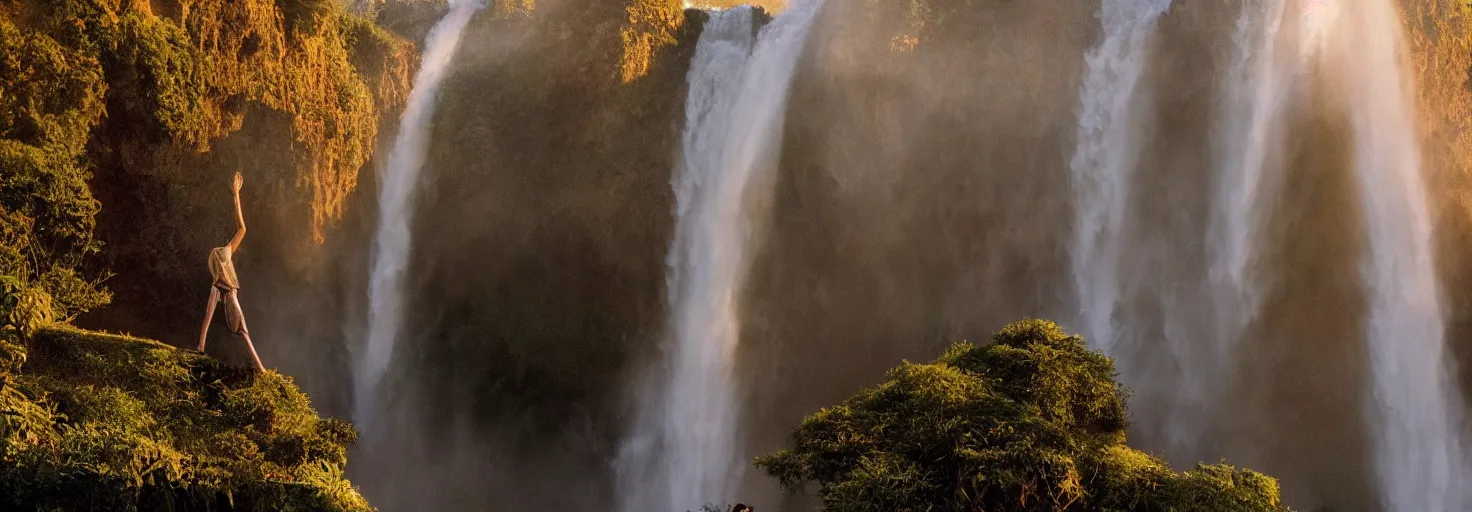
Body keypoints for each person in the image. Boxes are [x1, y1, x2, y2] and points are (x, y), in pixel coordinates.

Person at [196, 171, 265, 372]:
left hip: (225, 288)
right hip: (225, 288)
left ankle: (201, 346)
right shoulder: (224, 254)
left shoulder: (221, 256)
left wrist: (236, 194)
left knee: (233, 324)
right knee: (242, 330)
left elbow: (241, 228)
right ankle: (260, 367)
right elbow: (242, 228)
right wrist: (236, 195)